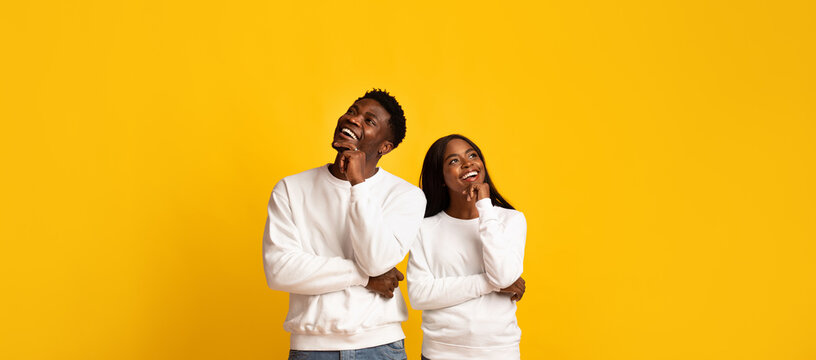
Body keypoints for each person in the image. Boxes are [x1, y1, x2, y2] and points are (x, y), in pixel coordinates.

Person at [263, 89, 426, 359]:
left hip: (381, 347)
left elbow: (376, 261)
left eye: (369, 121)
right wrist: (364, 278)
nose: (353, 119)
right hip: (312, 349)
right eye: (353, 111)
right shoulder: (290, 188)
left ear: (385, 147)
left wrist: (358, 185)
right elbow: (280, 270)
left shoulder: (405, 196)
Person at [407, 134, 527, 360]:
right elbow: (419, 295)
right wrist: (489, 283)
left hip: (499, 352)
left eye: (472, 155)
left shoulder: (511, 220)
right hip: (440, 353)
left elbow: (502, 276)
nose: (468, 163)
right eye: (453, 161)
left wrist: (484, 206)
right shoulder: (424, 228)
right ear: (441, 178)